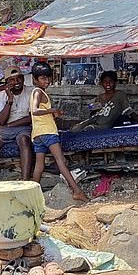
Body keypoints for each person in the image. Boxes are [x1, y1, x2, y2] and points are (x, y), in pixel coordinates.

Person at [29, 62, 89, 201]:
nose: (47, 81)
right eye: (43, 78)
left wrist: (53, 114)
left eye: (48, 78)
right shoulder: (38, 92)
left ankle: (32, 194)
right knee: (61, 160)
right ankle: (76, 191)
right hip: (48, 132)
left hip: (37, 133)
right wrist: (53, 110)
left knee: (39, 165)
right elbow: (35, 110)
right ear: (35, 79)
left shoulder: (36, 92)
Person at [0, 67, 33, 181]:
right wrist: (10, 99)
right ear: (7, 83)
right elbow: (1, 120)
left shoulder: (31, 92)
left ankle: (25, 182)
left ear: (23, 79)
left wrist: (10, 125)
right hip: (4, 129)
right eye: (12, 80)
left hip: (23, 128)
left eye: (18, 79)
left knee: (24, 140)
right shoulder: (1, 96)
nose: (16, 82)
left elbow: (31, 117)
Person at [71, 70, 138, 132]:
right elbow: (92, 112)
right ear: (101, 83)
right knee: (75, 129)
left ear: (115, 83)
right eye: (105, 82)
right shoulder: (99, 97)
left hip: (105, 124)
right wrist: (93, 107)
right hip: (94, 119)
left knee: (89, 129)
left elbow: (129, 111)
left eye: (111, 81)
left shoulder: (120, 95)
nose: (108, 84)